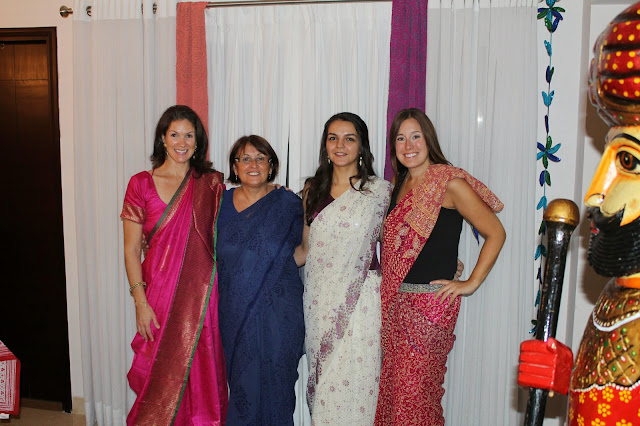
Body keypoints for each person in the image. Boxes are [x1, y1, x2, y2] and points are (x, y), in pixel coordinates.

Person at [375, 108, 505, 425]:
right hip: (396, 304)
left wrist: (471, 282)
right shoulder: (399, 184)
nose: (408, 146)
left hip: (430, 306)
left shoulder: (448, 183)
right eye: (400, 139)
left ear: (429, 139)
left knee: (415, 399)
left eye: (415, 136)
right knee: (398, 398)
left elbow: (495, 232)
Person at [121, 105, 227, 425]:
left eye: (189, 135)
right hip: (158, 297)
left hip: (202, 296)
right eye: (175, 135)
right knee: (159, 373)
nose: (182, 142)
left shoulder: (211, 184)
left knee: (202, 371)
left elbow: (228, 231)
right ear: (163, 139)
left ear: (198, 141)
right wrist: (140, 303)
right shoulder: (141, 183)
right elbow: (131, 250)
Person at [299, 112, 393, 424]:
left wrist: (442, 263)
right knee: (325, 391)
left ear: (361, 146)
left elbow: (394, 244)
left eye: (349, 138)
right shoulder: (312, 189)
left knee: (359, 387)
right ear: (325, 145)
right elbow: (305, 250)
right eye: (333, 138)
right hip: (319, 304)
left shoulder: (380, 192)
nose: (340, 145)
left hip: (361, 305)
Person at [217, 135, 305, 425]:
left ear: (271, 166)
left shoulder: (288, 204)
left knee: (278, 391)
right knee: (243, 391)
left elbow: (303, 252)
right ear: (235, 167)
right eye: (245, 159)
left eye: (260, 158)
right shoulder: (218, 204)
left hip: (279, 316)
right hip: (235, 315)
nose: (253, 165)